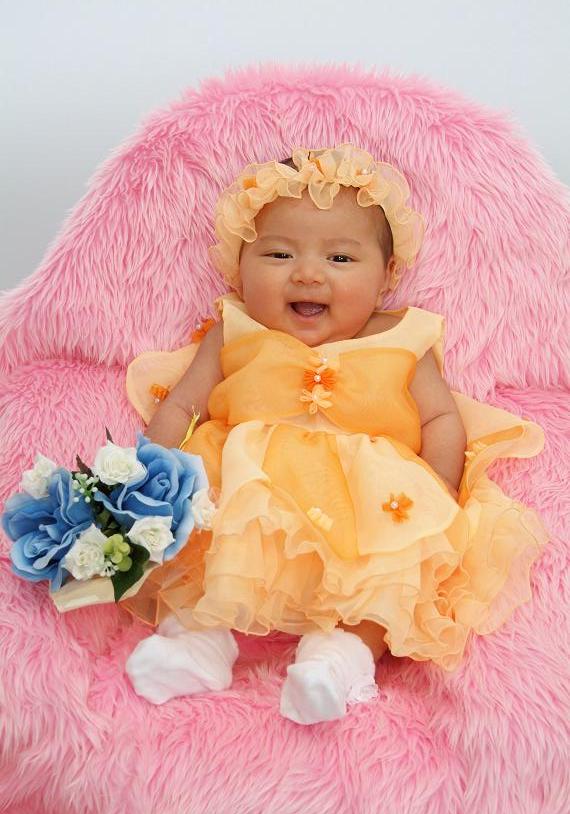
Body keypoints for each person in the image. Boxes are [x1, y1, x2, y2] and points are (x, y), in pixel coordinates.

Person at [122, 143, 549, 725]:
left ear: (386, 278)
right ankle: (198, 643)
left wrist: (439, 491)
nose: (307, 273)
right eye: (278, 253)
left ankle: (341, 658)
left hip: (369, 500)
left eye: (341, 258)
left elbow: (441, 419)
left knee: (391, 574)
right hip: (250, 485)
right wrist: (146, 474)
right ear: (239, 266)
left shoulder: (401, 338)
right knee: (206, 547)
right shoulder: (234, 330)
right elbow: (183, 404)